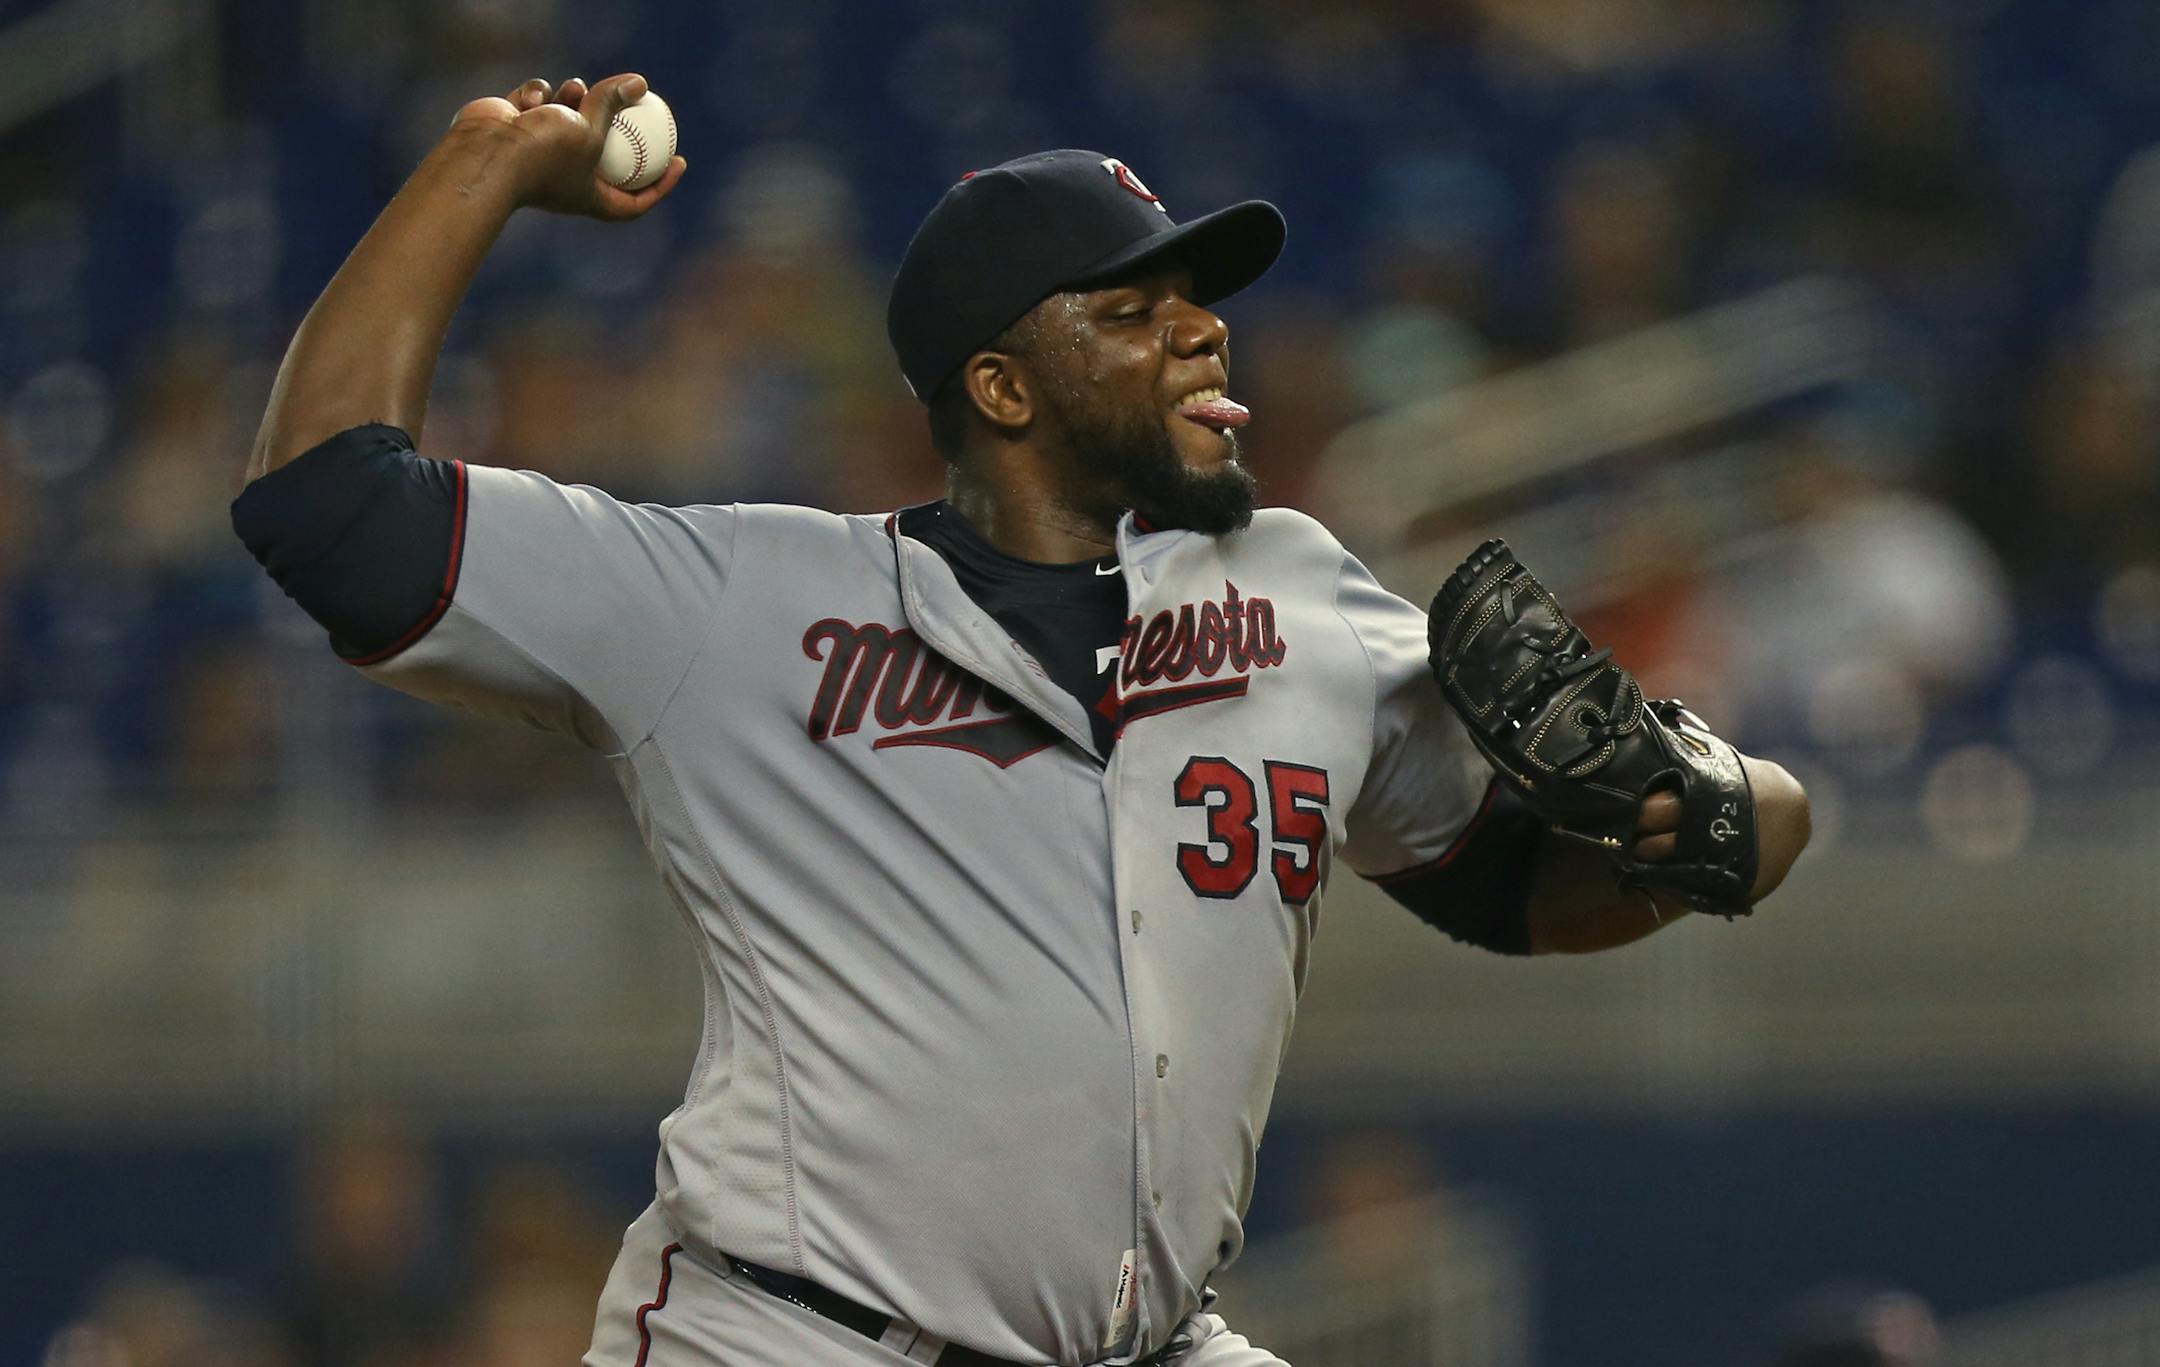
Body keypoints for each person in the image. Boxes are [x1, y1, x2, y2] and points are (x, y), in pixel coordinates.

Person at [232, 73, 1810, 1367]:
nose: (1200, 329)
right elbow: (325, 505)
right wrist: (486, 166)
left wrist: (1707, 820)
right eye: (1132, 309)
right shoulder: (741, 602)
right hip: (792, 1337)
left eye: (1198, 300)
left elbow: (1509, 884)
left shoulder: (1300, 597)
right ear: (1000, 389)